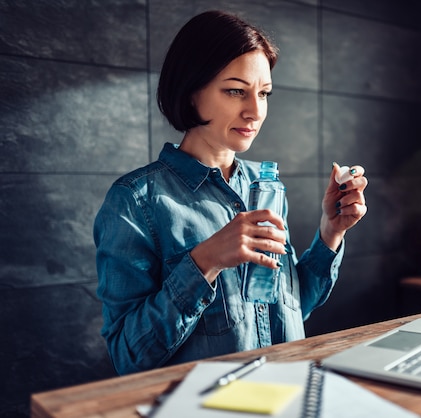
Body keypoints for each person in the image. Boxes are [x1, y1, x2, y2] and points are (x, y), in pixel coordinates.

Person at [94, 10, 368, 375]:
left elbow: (286, 310)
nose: (255, 111)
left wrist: (331, 233)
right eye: (236, 91)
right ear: (191, 92)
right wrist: (205, 261)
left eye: (265, 93)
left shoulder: (266, 187)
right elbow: (128, 356)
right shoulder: (135, 201)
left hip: (285, 390)